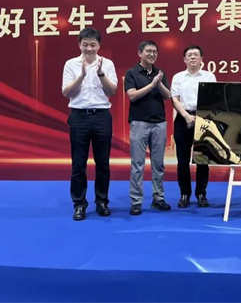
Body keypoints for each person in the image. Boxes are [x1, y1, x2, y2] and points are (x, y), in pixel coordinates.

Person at [61, 28, 118, 221]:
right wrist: (81, 75)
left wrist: (101, 75)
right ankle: (79, 204)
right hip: (79, 117)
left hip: (102, 116)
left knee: (103, 163)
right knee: (78, 164)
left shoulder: (107, 64)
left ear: (99, 45)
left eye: (93, 44)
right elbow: (66, 92)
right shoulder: (71, 64)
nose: (89, 48)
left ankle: (102, 202)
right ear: (79, 45)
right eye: (85, 44)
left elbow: (112, 91)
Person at [124, 41, 172, 216]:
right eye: (148, 51)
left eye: (154, 52)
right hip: (139, 123)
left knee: (158, 164)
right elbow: (132, 95)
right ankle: (136, 201)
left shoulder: (160, 73)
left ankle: (158, 198)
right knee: (138, 164)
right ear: (140, 53)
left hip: (159, 123)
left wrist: (158, 83)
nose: (152, 55)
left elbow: (168, 95)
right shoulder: (132, 73)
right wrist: (151, 85)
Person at [170, 45, 217, 208]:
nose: (192, 57)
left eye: (196, 55)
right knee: (182, 160)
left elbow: (213, 98)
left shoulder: (209, 76)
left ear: (201, 59)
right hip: (183, 118)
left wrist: (201, 117)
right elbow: (174, 99)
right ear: (184, 59)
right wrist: (186, 116)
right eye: (189, 55)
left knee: (202, 159)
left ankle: (201, 194)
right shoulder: (178, 77)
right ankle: (184, 194)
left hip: (203, 119)